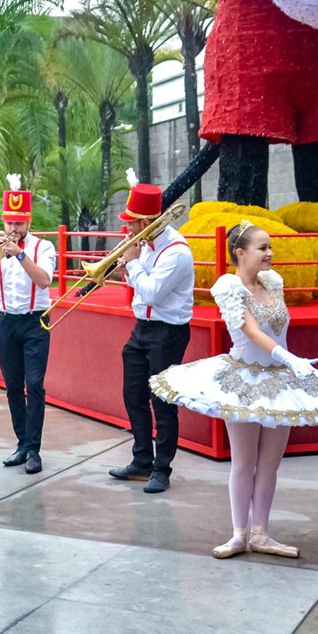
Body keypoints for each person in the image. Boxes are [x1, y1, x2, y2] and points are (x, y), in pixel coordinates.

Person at [152, 222, 318, 558]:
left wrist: (288, 363)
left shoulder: (272, 282)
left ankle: (261, 533)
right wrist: (288, 357)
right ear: (241, 252)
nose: (270, 253)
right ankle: (238, 533)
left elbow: (277, 327)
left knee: (270, 464)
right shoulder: (229, 287)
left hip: (281, 381)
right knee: (244, 461)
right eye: (262, 248)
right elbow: (251, 332)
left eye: (270, 247)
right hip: (244, 381)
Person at [108, 171, 195, 494]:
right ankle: (141, 460)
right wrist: (124, 270)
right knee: (133, 395)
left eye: (132, 222)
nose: (127, 229)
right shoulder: (144, 245)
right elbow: (140, 286)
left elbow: (152, 292)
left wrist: (130, 264)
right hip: (141, 329)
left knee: (163, 401)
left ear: (146, 222)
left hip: (167, 333)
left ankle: (162, 468)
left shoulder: (176, 252)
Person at [0, 174, 57, 474]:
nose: (13, 229)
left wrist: (20, 254)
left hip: (36, 323)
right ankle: (22, 443)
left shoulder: (43, 248)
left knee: (34, 384)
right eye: (9, 223)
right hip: (7, 323)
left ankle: (34, 449)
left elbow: (45, 279)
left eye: (19, 224)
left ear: (28, 222)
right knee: (12, 385)